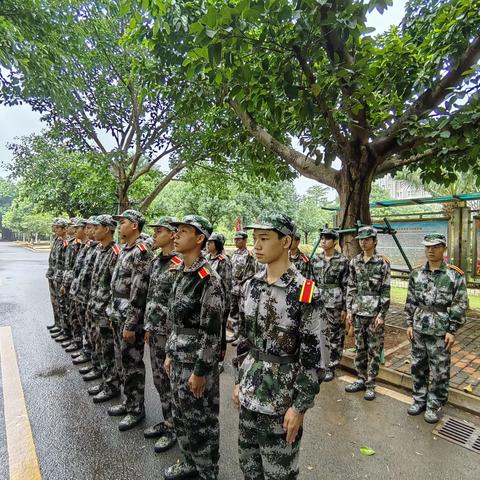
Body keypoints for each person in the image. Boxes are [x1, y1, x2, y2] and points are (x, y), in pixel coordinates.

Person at [232, 212, 328, 480]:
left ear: (286, 242)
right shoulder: (251, 285)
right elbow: (244, 342)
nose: (256, 246)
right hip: (250, 395)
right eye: (255, 239)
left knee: (279, 474)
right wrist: (239, 381)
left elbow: (314, 359)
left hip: (281, 401)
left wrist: (299, 407)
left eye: (264, 238)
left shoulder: (305, 292)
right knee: (249, 467)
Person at [163, 215, 225, 480]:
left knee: (202, 423)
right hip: (178, 357)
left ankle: (207, 471)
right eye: (176, 231)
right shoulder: (180, 272)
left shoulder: (208, 279)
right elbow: (173, 320)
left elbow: (212, 334)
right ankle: (189, 462)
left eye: (184, 231)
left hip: (196, 363)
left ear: (200, 238)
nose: (176, 235)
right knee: (181, 415)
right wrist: (168, 352)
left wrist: (200, 371)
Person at [405, 233, 467, 423]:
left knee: (439, 369)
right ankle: (419, 399)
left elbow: (460, 304)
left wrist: (452, 330)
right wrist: (409, 323)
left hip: (440, 330)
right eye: (427, 247)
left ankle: (434, 405)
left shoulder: (454, 275)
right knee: (418, 366)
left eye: (435, 247)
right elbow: (410, 301)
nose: (430, 250)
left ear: (444, 249)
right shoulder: (416, 273)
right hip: (419, 327)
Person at [108, 209, 153, 431]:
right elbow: (116, 284)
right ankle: (128, 402)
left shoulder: (141, 252)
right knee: (122, 361)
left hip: (130, 318)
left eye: (123, 222)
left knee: (132, 364)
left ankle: (136, 409)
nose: (120, 226)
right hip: (118, 313)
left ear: (134, 225)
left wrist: (130, 323)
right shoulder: (126, 249)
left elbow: (139, 290)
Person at [143, 216, 180, 453]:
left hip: (170, 335)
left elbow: (180, 306)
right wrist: (147, 326)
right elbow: (151, 297)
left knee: (171, 382)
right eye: (154, 231)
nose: (154, 235)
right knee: (159, 381)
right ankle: (167, 421)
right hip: (154, 331)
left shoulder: (179, 264)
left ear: (173, 234)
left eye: (159, 231)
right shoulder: (157, 262)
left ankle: (175, 427)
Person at [345, 226, 390, 401]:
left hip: (374, 312)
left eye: (367, 239)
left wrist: (382, 315)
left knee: (373, 350)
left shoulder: (382, 262)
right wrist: (349, 310)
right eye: (361, 239)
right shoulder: (354, 261)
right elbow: (351, 286)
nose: (363, 242)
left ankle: (371, 384)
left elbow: (386, 290)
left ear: (374, 241)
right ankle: (361, 379)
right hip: (358, 311)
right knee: (360, 348)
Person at [86, 214, 122, 403]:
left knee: (108, 350)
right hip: (96, 306)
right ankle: (105, 381)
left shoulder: (116, 252)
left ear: (108, 229)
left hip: (105, 310)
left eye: (97, 227)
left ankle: (112, 386)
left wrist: (110, 311)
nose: (93, 230)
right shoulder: (101, 250)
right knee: (100, 347)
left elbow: (115, 287)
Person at [310, 228, 349, 381]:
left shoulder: (343, 261)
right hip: (318, 301)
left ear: (334, 241)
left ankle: (332, 365)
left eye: (327, 238)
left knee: (335, 335)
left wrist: (345, 308)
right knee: (318, 332)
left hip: (335, 303)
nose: (323, 241)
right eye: (322, 238)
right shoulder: (315, 260)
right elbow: (310, 282)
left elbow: (347, 285)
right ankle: (320, 362)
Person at [206, 232, 233, 365]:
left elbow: (226, 285)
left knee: (220, 330)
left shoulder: (224, 261)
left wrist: (226, 305)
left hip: (221, 302)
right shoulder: (207, 258)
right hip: (207, 300)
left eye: (210, 242)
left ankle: (220, 360)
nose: (208, 244)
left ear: (217, 244)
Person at [229, 231, 256, 339]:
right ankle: (235, 334)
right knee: (234, 311)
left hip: (242, 288)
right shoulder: (234, 254)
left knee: (242, 313)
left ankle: (242, 337)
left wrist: (241, 283)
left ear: (245, 240)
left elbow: (250, 273)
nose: (236, 241)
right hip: (233, 287)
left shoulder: (248, 255)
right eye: (235, 239)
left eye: (239, 239)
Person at [46, 218, 67, 334]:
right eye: (54, 226)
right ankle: (57, 323)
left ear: (64, 229)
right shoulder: (57, 240)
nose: (54, 229)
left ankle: (64, 327)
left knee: (62, 303)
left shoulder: (66, 242)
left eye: (57, 227)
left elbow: (66, 263)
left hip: (60, 276)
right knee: (54, 300)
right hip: (53, 274)